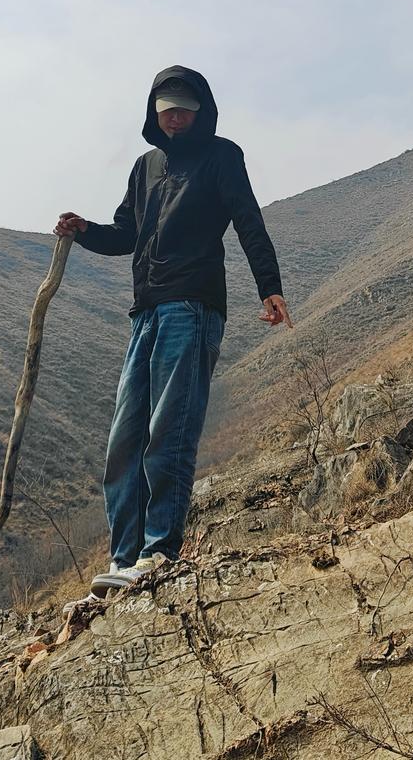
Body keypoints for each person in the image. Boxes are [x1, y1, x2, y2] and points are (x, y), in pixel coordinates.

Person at [55, 66, 292, 600]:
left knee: (169, 432)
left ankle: (158, 552)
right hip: (146, 313)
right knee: (124, 442)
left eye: (184, 108)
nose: (175, 117)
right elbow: (126, 235)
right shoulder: (145, 167)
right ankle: (125, 560)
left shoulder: (222, 156)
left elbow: (248, 220)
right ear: (153, 113)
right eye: (166, 109)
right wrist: (85, 230)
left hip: (192, 306)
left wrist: (269, 288)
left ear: (201, 110)